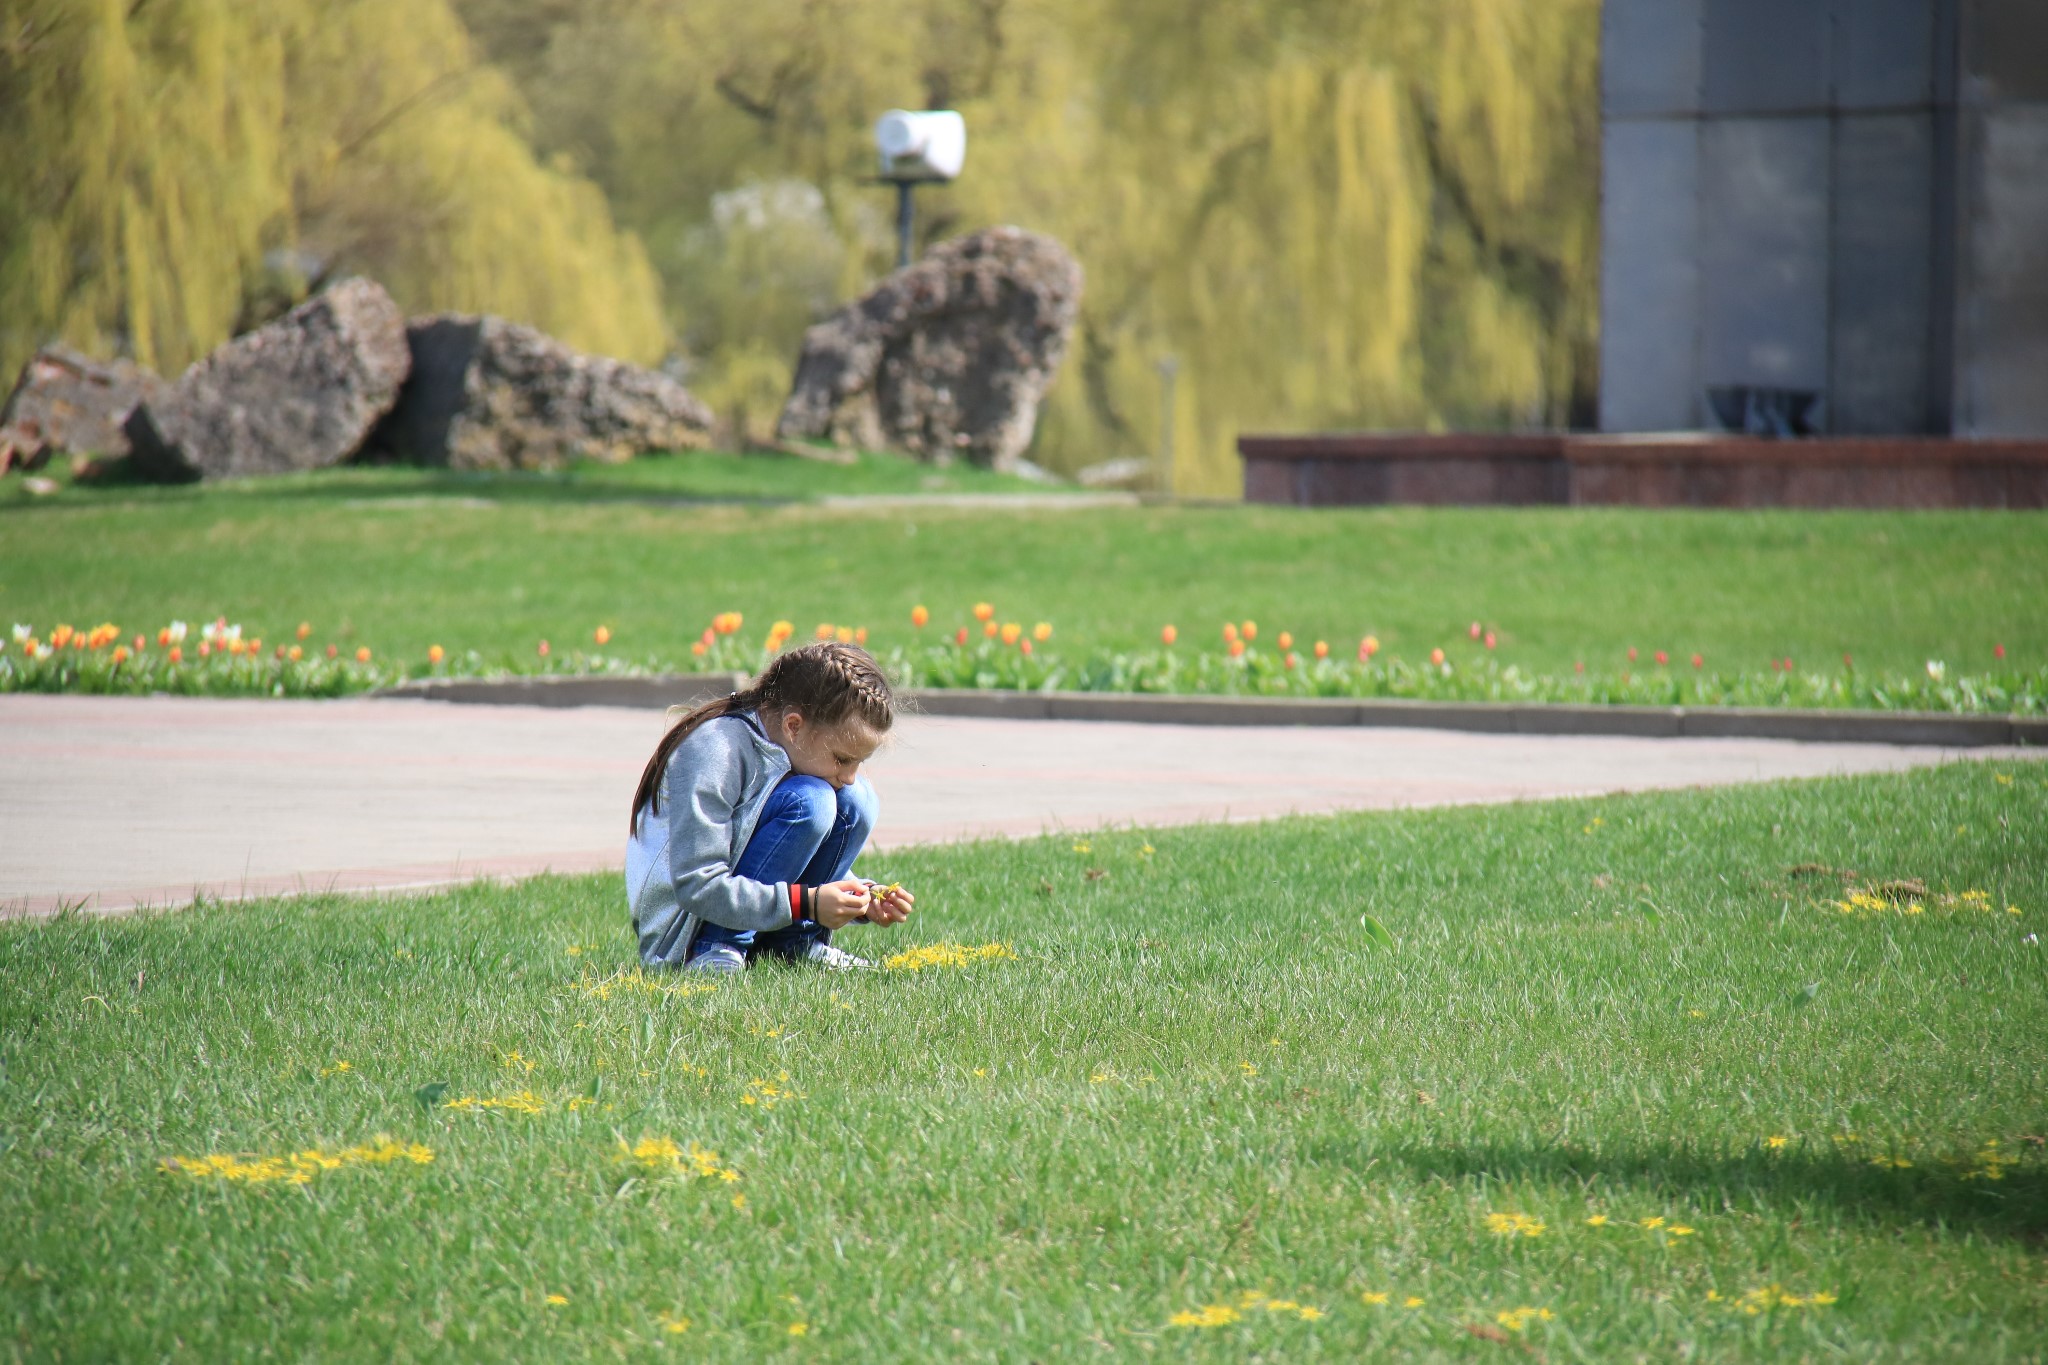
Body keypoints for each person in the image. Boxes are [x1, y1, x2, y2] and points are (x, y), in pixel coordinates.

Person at [625, 641, 914, 973]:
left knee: (857, 799)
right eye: (842, 759)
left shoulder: (792, 747)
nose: (849, 776)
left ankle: (795, 946)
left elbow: (772, 850)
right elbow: (697, 883)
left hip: (750, 908)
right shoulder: (716, 749)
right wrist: (808, 903)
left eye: (858, 762)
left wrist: (862, 896)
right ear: (794, 726)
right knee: (813, 800)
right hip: (682, 936)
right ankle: (716, 950)